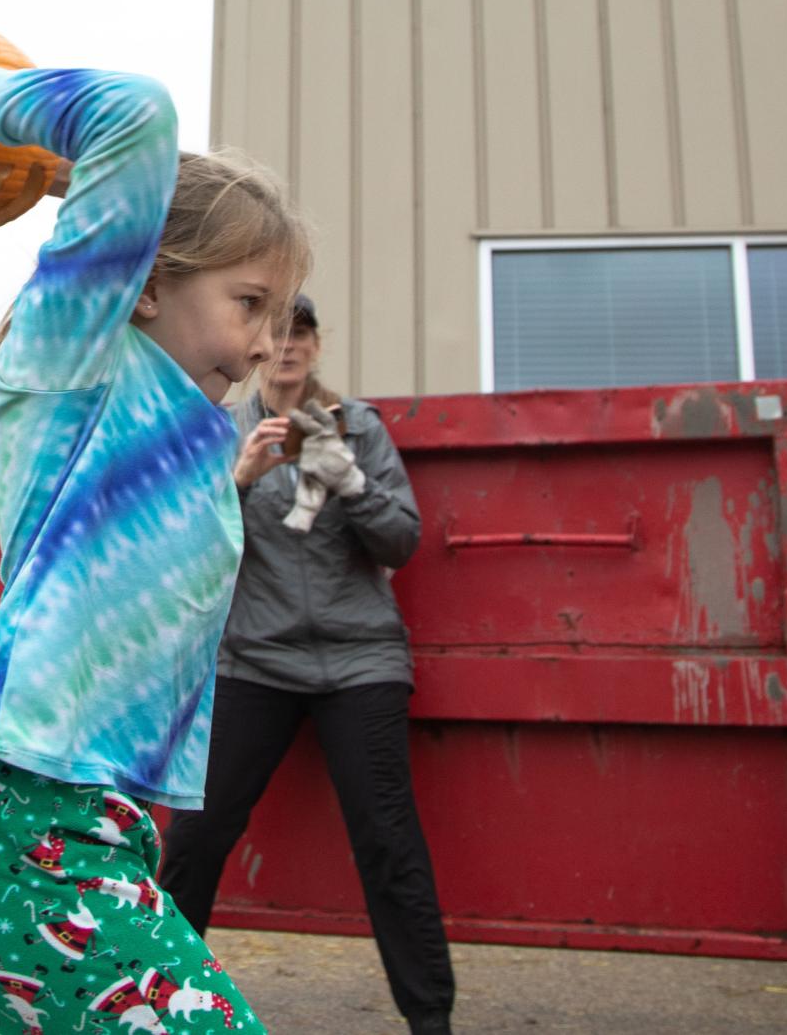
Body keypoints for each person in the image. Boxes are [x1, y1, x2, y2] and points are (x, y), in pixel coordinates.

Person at [0, 10, 310, 1033]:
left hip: (87, 822)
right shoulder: (74, 364)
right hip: (28, 817)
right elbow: (131, 115)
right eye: (251, 302)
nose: (269, 343)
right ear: (143, 287)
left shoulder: (176, 432)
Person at [159, 297, 457, 1035]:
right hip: (253, 657)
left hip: (360, 658)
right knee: (195, 835)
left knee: (388, 838)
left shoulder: (360, 426)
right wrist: (243, 477)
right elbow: (187, 552)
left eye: (302, 332)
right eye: (276, 331)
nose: (287, 345)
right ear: (257, 343)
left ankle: (431, 1019)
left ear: (317, 345)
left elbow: (400, 543)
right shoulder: (221, 427)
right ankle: (152, 1000)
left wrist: (349, 479)